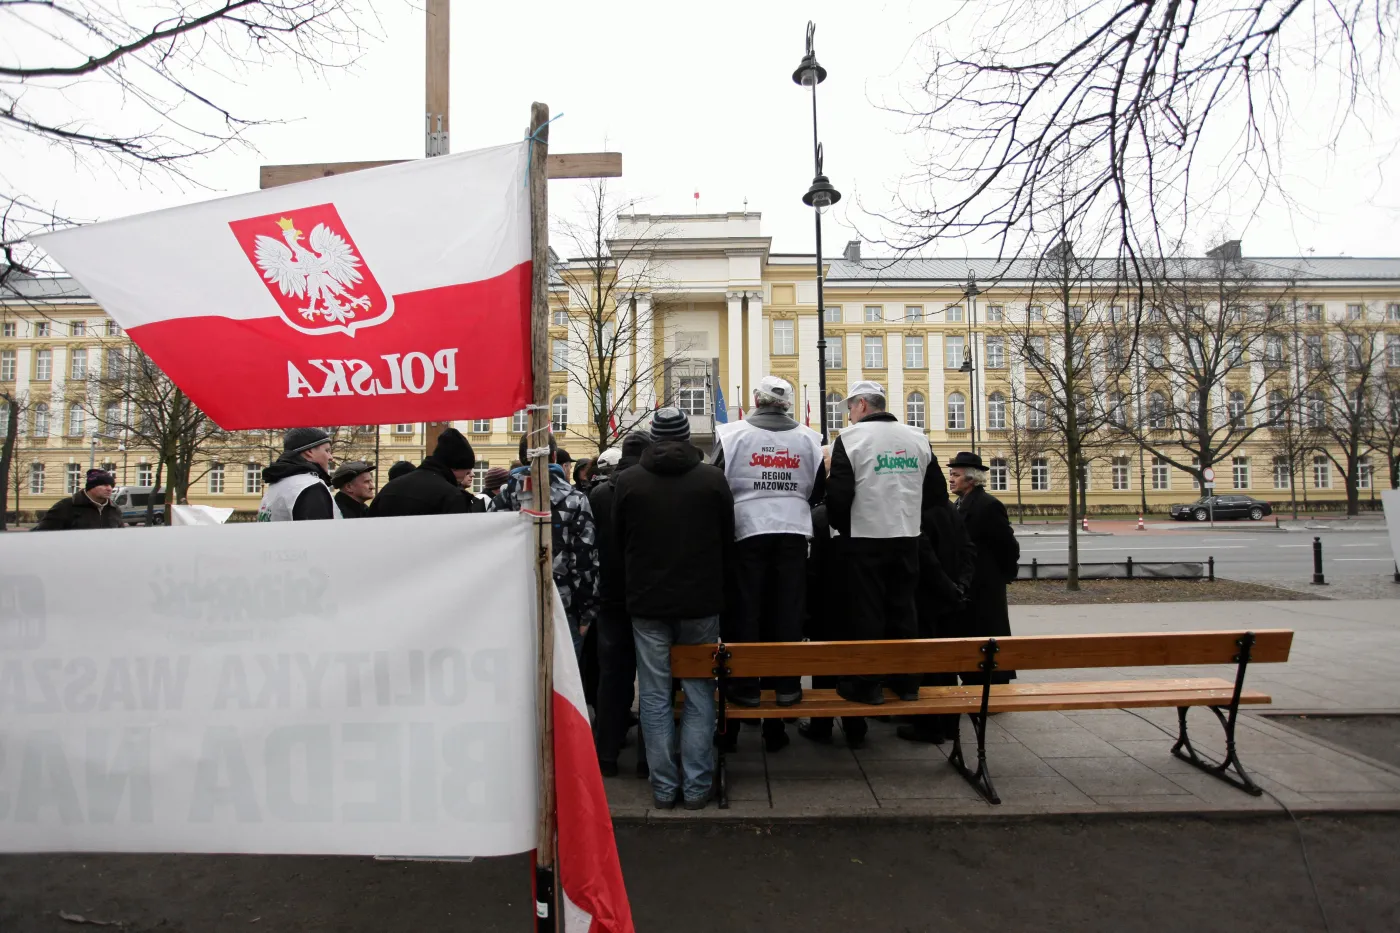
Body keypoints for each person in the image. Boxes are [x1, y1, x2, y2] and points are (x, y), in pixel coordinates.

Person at [613, 408, 735, 810]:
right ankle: (698, 786)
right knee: (700, 693)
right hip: (700, 603)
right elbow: (726, 539)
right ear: (686, 437)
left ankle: (665, 788)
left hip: (647, 603)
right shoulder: (712, 480)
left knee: (653, 695)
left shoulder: (627, 482)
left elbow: (617, 543)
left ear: (652, 438)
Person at [712, 375, 824, 752]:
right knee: (787, 612)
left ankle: (745, 688)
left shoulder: (732, 435)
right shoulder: (809, 439)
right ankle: (786, 688)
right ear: (788, 404)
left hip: (746, 529)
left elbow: (716, 482)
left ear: (756, 400)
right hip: (793, 530)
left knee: (746, 612)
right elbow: (817, 488)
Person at [825, 381, 940, 706]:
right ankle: (906, 683)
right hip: (906, 536)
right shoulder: (917, 438)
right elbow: (936, 494)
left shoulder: (849, 439)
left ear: (861, 405)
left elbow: (839, 495)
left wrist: (841, 529)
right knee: (904, 609)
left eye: (849, 408)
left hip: (864, 538)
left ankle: (867, 684)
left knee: (867, 612)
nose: (848, 416)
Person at [490, 433, 599, 661]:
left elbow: (489, 556)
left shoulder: (501, 500)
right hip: (562, 605)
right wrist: (587, 612)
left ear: (521, 459)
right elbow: (584, 560)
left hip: (511, 604)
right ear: (555, 456)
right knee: (562, 684)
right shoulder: (575, 500)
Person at [898, 457, 979, 744]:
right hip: (952, 599)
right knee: (946, 664)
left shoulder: (918, 512)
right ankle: (948, 725)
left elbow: (926, 559)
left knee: (929, 665)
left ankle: (930, 726)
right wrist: (961, 586)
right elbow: (969, 551)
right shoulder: (950, 509)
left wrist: (948, 588)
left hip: (928, 599)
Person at [588, 431, 652, 777]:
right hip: (646, 596)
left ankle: (606, 755)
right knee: (654, 681)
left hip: (610, 597)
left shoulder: (599, 494)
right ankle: (647, 760)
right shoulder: (648, 490)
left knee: (612, 678)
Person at [948, 451, 1020, 685]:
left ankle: (994, 688)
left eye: (955, 475)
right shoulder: (959, 503)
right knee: (972, 634)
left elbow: (1008, 545)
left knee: (989, 634)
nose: (950, 479)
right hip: (971, 583)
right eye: (951, 474)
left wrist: (1003, 574)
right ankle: (974, 683)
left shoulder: (988, 505)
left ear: (971, 479)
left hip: (986, 583)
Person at [368, 427, 481, 517]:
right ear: (455, 467)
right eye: (466, 472)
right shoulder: (451, 496)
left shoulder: (390, 488)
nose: (469, 475)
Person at [257, 427, 338, 522]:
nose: (330, 457)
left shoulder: (276, 485)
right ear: (309, 452)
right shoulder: (310, 486)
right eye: (327, 451)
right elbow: (319, 533)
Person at [33, 468, 123, 531]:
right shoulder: (66, 506)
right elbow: (42, 534)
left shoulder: (114, 509)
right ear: (91, 487)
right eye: (104, 485)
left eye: (111, 485)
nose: (109, 488)